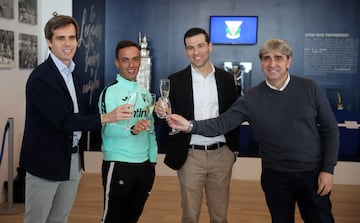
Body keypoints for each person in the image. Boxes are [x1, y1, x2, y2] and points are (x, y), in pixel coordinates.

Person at [167, 38, 340, 223]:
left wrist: (327, 170)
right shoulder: (251, 98)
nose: (272, 64)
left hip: (312, 174)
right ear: (261, 62)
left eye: (278, 58)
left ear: (288, 61)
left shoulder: (310, 88)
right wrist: (190, 126)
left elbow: (330, 130)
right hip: (275, 175)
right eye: (266, 58)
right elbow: (221, 123)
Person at [19, 15, 132, 223]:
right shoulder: (41, 78)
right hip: (46, 163)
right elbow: (64, 120)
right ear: (49, 42)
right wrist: (107, 117)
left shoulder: (73, 73)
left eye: (72, 37)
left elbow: (79, 114)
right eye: (61, 38)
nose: (68, 43)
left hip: (71, 160)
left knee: (59, 218)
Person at [155, 27, 240, 223]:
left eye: (200, 46)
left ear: (209, 46)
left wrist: (232, 151)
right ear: (186, 50)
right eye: (190, 47)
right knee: (190, 216)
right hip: (190, 155)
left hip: (221, 154)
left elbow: (233, 117)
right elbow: (163, 114)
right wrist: (159, 111)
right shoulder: (175, 80)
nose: (196, 52)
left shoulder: (227, 79)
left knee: (219, 216)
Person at [98, 40, 158, 223]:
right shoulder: (109, 93)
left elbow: (151, 128)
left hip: (145, 167)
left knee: (132, 218)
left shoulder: (145, 93)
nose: (131, 65)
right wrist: (131, 130)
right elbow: (107, 130)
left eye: (135, 59)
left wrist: (153, 160)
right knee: (113, 219)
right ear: (117, 62)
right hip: (119, 164)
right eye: (125, 60)